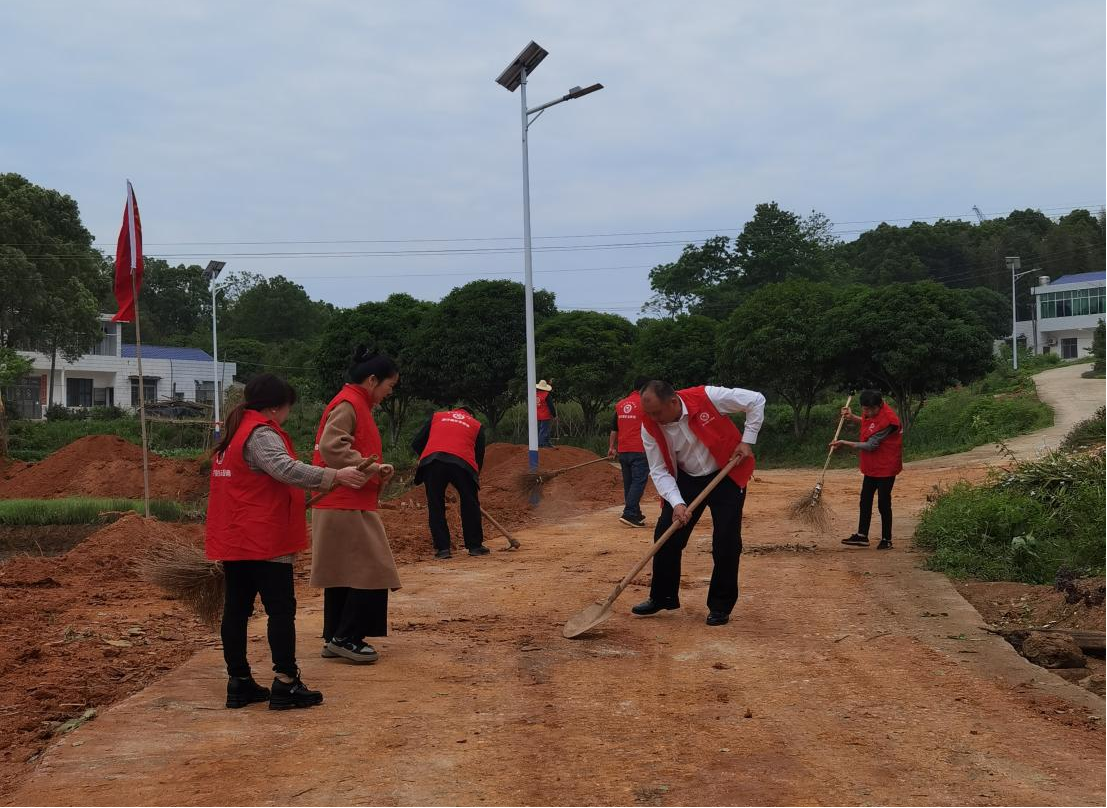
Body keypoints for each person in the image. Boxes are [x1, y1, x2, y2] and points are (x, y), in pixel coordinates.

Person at [206, 373, 370, 710]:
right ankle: (286, 682)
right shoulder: (261, 433)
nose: (287, 414)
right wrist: (334, 475)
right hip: (265, 539)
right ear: (275, 407)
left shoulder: (235, 432)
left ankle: (239, 681)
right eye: (288, 408)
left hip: (236, 537)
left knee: (236, 610)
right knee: (280, 610)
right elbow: (284, 468)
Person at [633, 379, 765, 627]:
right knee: (666, 535)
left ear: (673, 402)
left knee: (726, 541)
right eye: (648, 413)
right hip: (686, 479)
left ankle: (720, 605)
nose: (653, 418)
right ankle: (662, 597)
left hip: (726, 473)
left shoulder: (707, 397)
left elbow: (756, 400)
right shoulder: (649, 426)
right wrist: (677, 503)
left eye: (657, 412)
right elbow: (659, 470)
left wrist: (747, 440)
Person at [311, 348, 402, 665]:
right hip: (344, 500)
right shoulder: (349, 404)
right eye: (389, 386)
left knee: (344, 572)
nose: (389, 393)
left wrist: (372, 469)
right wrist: (371, 467)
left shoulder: (355, 403)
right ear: (373, 380)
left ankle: (336, 637)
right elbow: (331, 446)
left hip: (344, 500)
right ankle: (347, 637)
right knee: (373, 568)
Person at [411, 406, 488, 559]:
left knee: (435, 504)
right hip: (463, 463)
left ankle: (443, 549)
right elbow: (478, 456)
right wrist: (472, 480)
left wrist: (428, 455)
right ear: (471, 415)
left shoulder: (437, 416)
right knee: (469, 503)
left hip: (433, 462)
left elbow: (417, 442)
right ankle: (474, 546)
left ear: (454, 411)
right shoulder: (476, 425)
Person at [831, 389, 903, 550]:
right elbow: (870, 423)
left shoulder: (889, 421)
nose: (868, 413)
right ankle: (862, 535)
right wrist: (852, 417)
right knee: (865, 500)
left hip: (887, 466)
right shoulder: (872, 412)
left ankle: (886, 539)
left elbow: (871, 445)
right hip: (872, 465)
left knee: (883, 503)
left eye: (871, 410)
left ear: (880, 405)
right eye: (865, 410)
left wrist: (844, 443)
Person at [608, 376, 650, 528]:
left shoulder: (621, 404)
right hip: (639, 450)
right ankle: (629, 513)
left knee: (629, 483)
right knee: (638, 482)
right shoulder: (646, 404)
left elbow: (614, 428)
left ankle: (635, 513)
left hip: (623, 450)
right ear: (645, 388)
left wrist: (611, 447)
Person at [536, 379, 556, 448]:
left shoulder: (536, 394)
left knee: (541, 429)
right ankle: (541, 444)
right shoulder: (546, 395)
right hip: (545, 415)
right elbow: (551, 406)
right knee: (544, 430)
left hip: (537, 415)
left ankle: (547, 443)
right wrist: (554, 415)